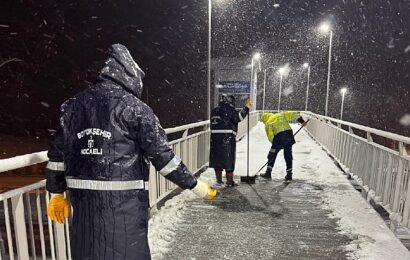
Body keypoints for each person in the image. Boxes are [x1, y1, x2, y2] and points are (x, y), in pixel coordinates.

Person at [45, 43, 217, 260]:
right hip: (124, 211)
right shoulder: (136, 109)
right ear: (130, 76)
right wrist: (194, 185)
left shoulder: (71, 107)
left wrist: (56, 192)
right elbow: (163, 159)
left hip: (84, 210)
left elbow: (57, 157)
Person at [209, 94, 252, 186]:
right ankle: (229, 181)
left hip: (215, 139)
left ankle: (219, 181)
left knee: (218, 160)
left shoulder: (214, 111)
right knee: (229, 159)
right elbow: (238, 117)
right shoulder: (229, 110)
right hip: (227, 138)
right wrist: (247, 108)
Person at [259, 111, 307, 181]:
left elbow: (271, 137)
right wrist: (302, 121)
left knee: (272, 154)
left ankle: (268, 173)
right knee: (288, 154)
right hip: (288, 134)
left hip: (279, 136)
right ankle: (289, 174)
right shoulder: (280, 115)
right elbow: (293, 114)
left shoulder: (268, 123)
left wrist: (276, 145)